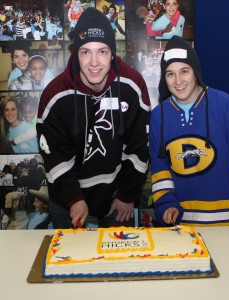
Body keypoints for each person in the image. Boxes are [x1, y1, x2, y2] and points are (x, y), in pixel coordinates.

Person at [36, 8, 151, 229]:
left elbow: (139, 146)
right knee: (70, 261)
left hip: (117, 199)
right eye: (86, 52)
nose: (95, 62)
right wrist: (74, 198)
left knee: (117, 264)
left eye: (103, 51)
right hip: (67, 201)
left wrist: (127, 195)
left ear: (113, 53)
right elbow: (54, 154)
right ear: (76, 53)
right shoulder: (55, 94)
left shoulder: (132, 85)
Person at [149, 36, 229, 235]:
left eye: (184, 71)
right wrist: (166, 204)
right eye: (170, 74)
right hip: (183, 227)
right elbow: (160, 171)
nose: (178, 81)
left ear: (195, 71)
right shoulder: (158, 116)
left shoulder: (224, 104)